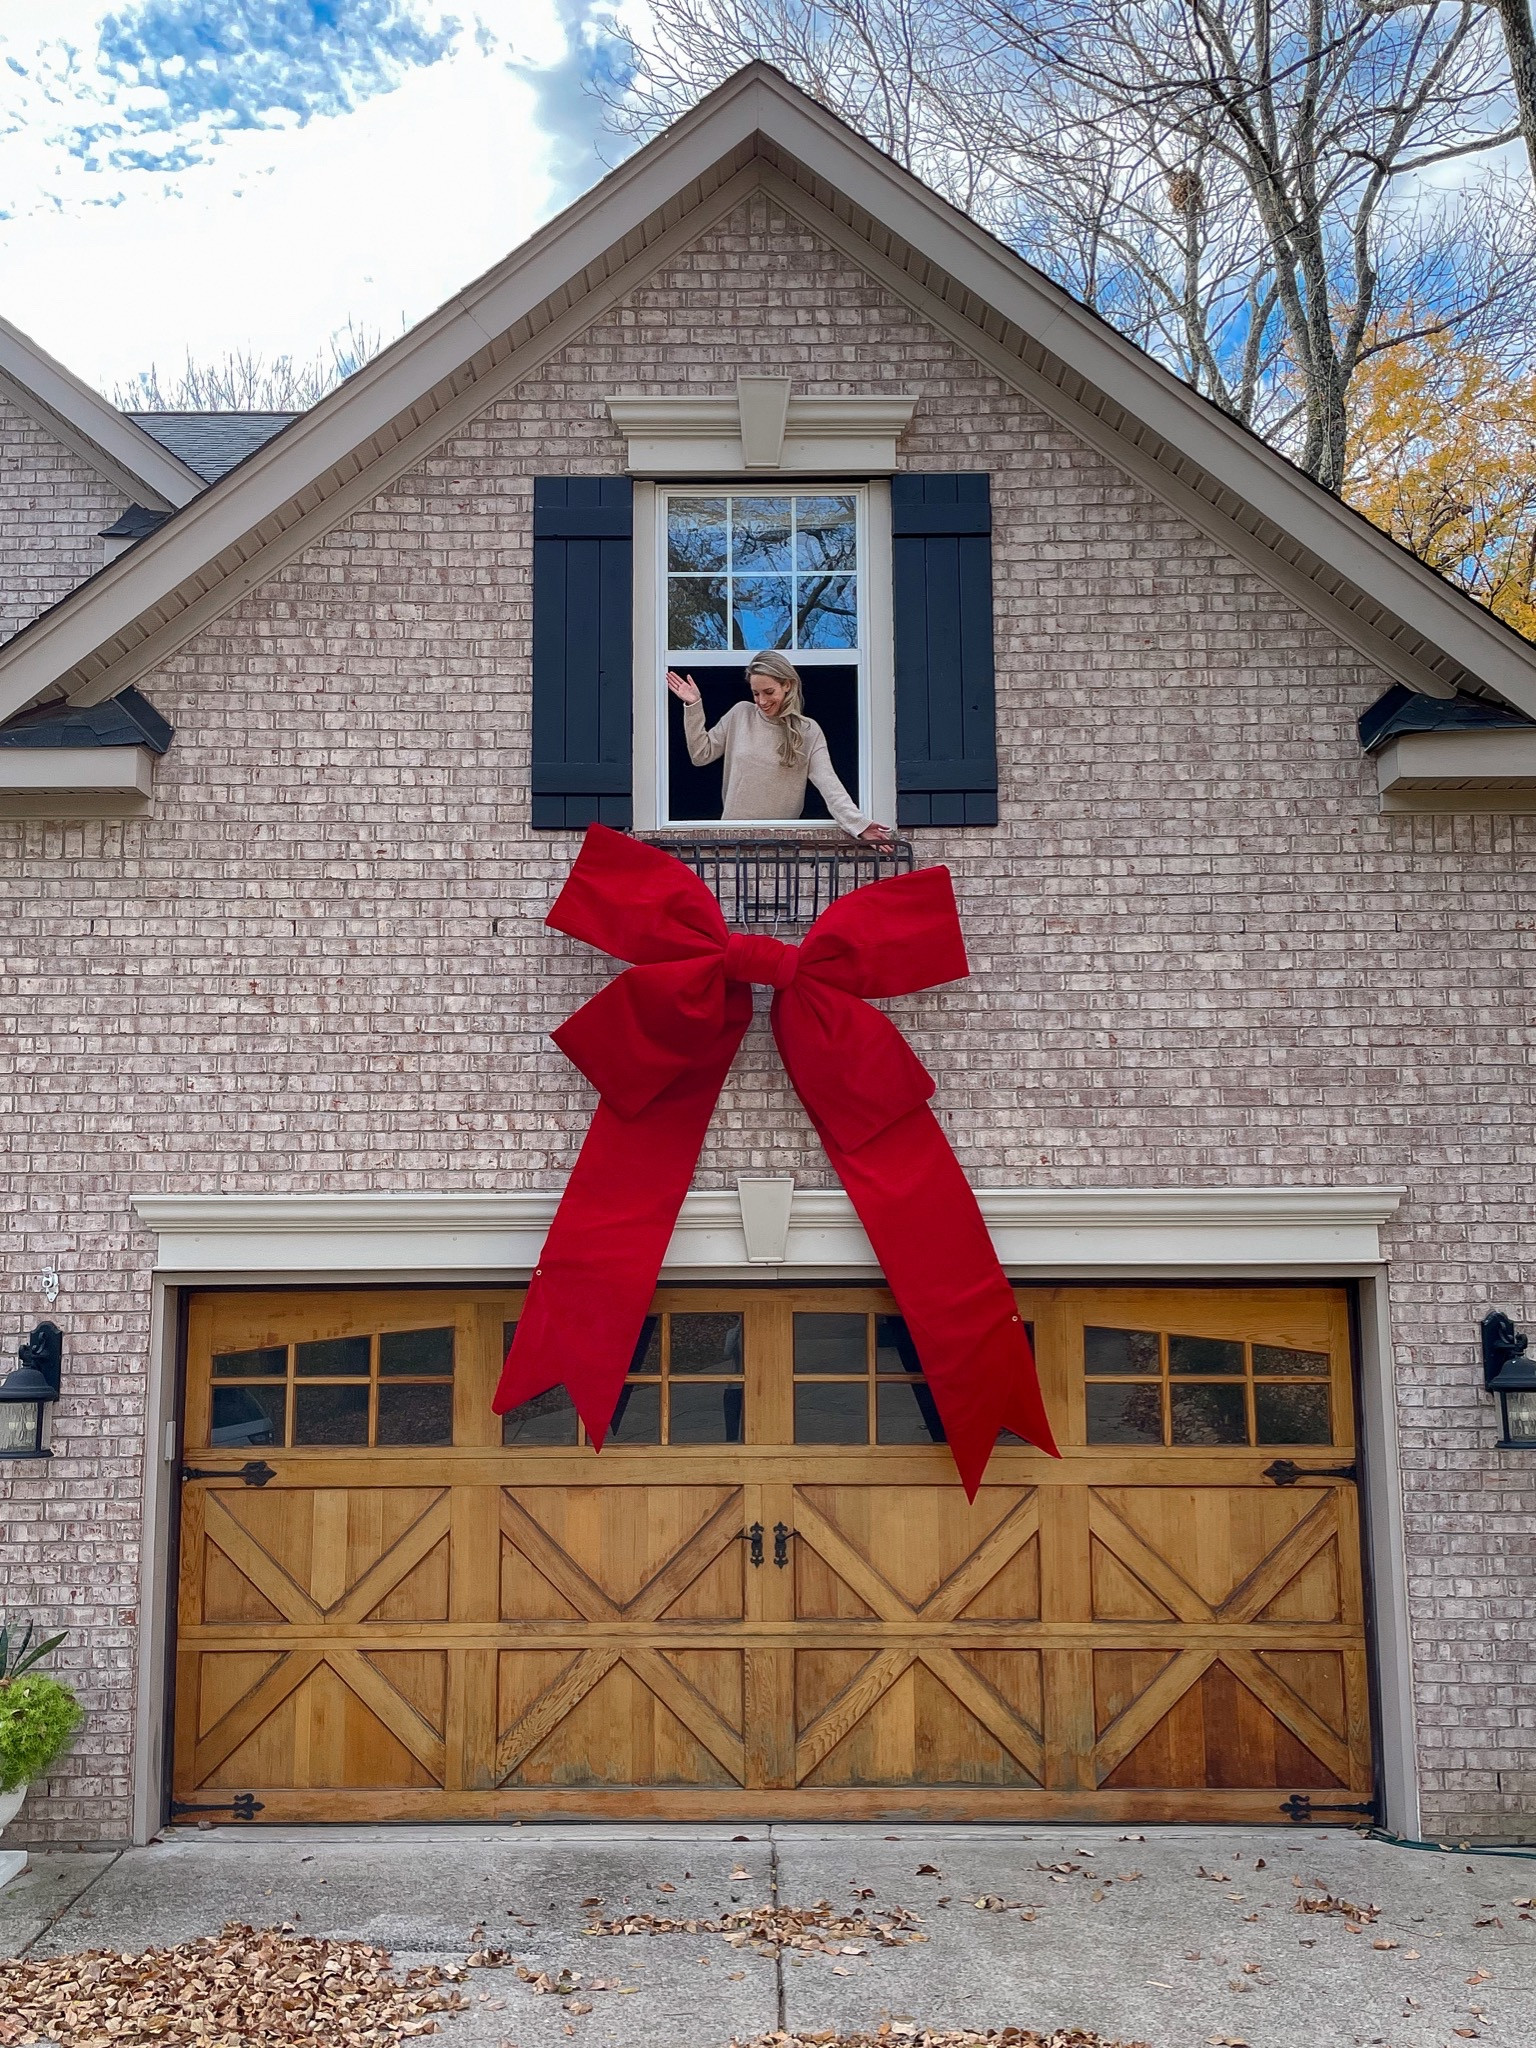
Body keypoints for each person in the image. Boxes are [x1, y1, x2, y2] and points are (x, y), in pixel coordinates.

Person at [665, 650, 894, 844]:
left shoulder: (808, 731)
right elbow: (700, 754)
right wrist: (693, 704)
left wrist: (859, 825)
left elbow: (829, 785)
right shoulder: (740, 715)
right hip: (732, 839)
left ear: (787, 685)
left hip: (781, 843)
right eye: (756, 693)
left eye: (769, 692)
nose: (762, 701)